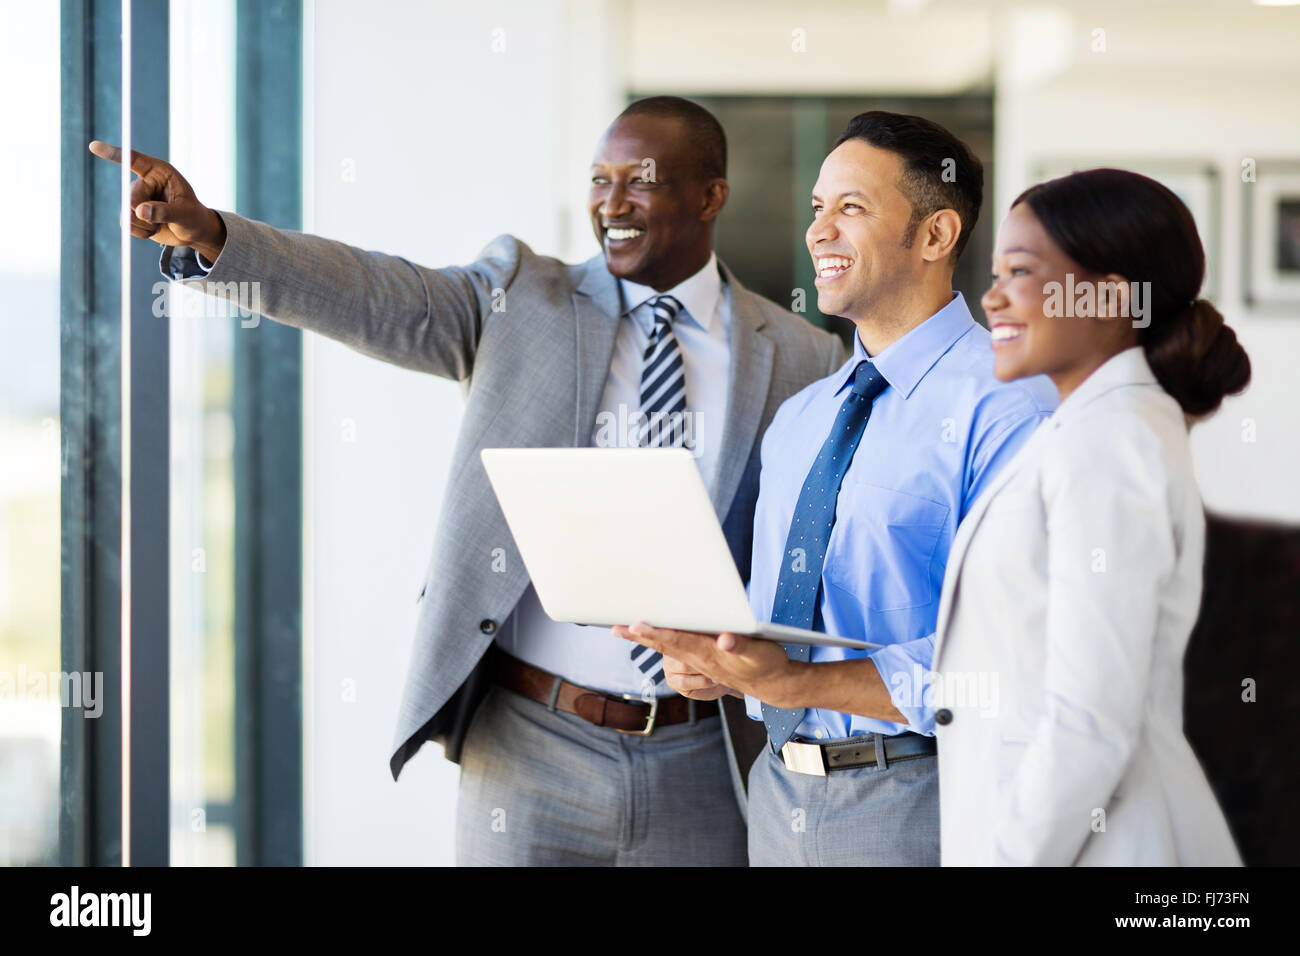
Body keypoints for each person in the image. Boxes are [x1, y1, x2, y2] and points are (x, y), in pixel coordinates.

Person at [91, 95, 846, 866]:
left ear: (711, 195)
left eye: (640, 181)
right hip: (529, 747)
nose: (611, 203)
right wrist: (217, 235)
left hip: (705, 762)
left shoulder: (802, 357)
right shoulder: (521, 296)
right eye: (598, 179)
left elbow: (814, 557)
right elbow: (372, 293)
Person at [616, 111, 1058, 866]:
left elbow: (1016, 659)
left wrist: (795, 682)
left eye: (850, 207)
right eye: (818, 208)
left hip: (928, 797)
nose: (819, 230)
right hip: (779, 797)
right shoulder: (801, 419)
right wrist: (720, 664)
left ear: (935, 235)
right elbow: (783, 623)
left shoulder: (1014, 404)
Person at [930, 168, 1247, 865]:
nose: (992, 297)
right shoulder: (1089, 429)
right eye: (995, 272)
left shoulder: (1111, 442)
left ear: (1108, 296)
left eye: (1020, 271)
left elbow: (1089, 719)